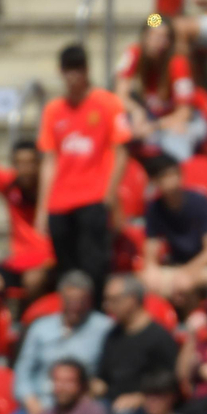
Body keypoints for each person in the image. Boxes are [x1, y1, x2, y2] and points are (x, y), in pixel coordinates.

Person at [37, 44, 131, 302]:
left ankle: (96, 314)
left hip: (93, 197)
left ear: (87, 70)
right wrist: (43, 208)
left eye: (78, 69)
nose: (73, 76)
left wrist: (109, 196)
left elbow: (121, 151)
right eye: (68, 70)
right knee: (67, 270)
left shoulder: (108, 103)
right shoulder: (53, 110)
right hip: (60, 202)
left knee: (94, 267)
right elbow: (49, 161)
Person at [7, 271, 113, 414]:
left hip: (80, 405)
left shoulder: (104, 328)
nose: (75, 307)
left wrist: (96, 387)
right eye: (70, 300)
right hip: (41, 403)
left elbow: (114, 367)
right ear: (60, 298)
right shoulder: (40, 327)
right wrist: (31, 402)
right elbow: (22, 372)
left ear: (89, 300)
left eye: (80, 301)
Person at [95, 274, 181, 414]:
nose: (107, 306)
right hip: (111, 400)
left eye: (113, 300)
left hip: (144, 405)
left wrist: (140, 398)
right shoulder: (112, 335)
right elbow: (103, 378)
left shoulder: (159, 337)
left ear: (132, 300)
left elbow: (170, 382)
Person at [117, 13, 207, 162]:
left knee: (175, 140)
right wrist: (136, 111)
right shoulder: (133, 53)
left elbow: (184, 113)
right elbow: (120, 95)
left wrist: (153, 126)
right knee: (121, 127)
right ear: (144, 37)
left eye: (164, 37)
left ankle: (178, 175)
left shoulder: (178, 63)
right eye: (153, 35)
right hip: (152, 117)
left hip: (186, 121)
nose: (158, 42)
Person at [141, 155, 207, 308]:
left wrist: (186, 271)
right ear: (155, 181)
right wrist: (150, 269)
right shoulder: (154, 208)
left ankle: (192, 319)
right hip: (177, 265)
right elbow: (151, 245)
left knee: (184, 284)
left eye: (175, 174)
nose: (172, 180)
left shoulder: (201, 202)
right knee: (144, 283)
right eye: (166, 176)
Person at [0, 139, 54, 305]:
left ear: (40, 164)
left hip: (47, 260)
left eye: (30, 163)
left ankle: (30, 317)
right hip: (18, 259)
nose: (25, 169)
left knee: (33, 280)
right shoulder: (10, 184)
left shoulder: (53, 188)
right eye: (19, 163)